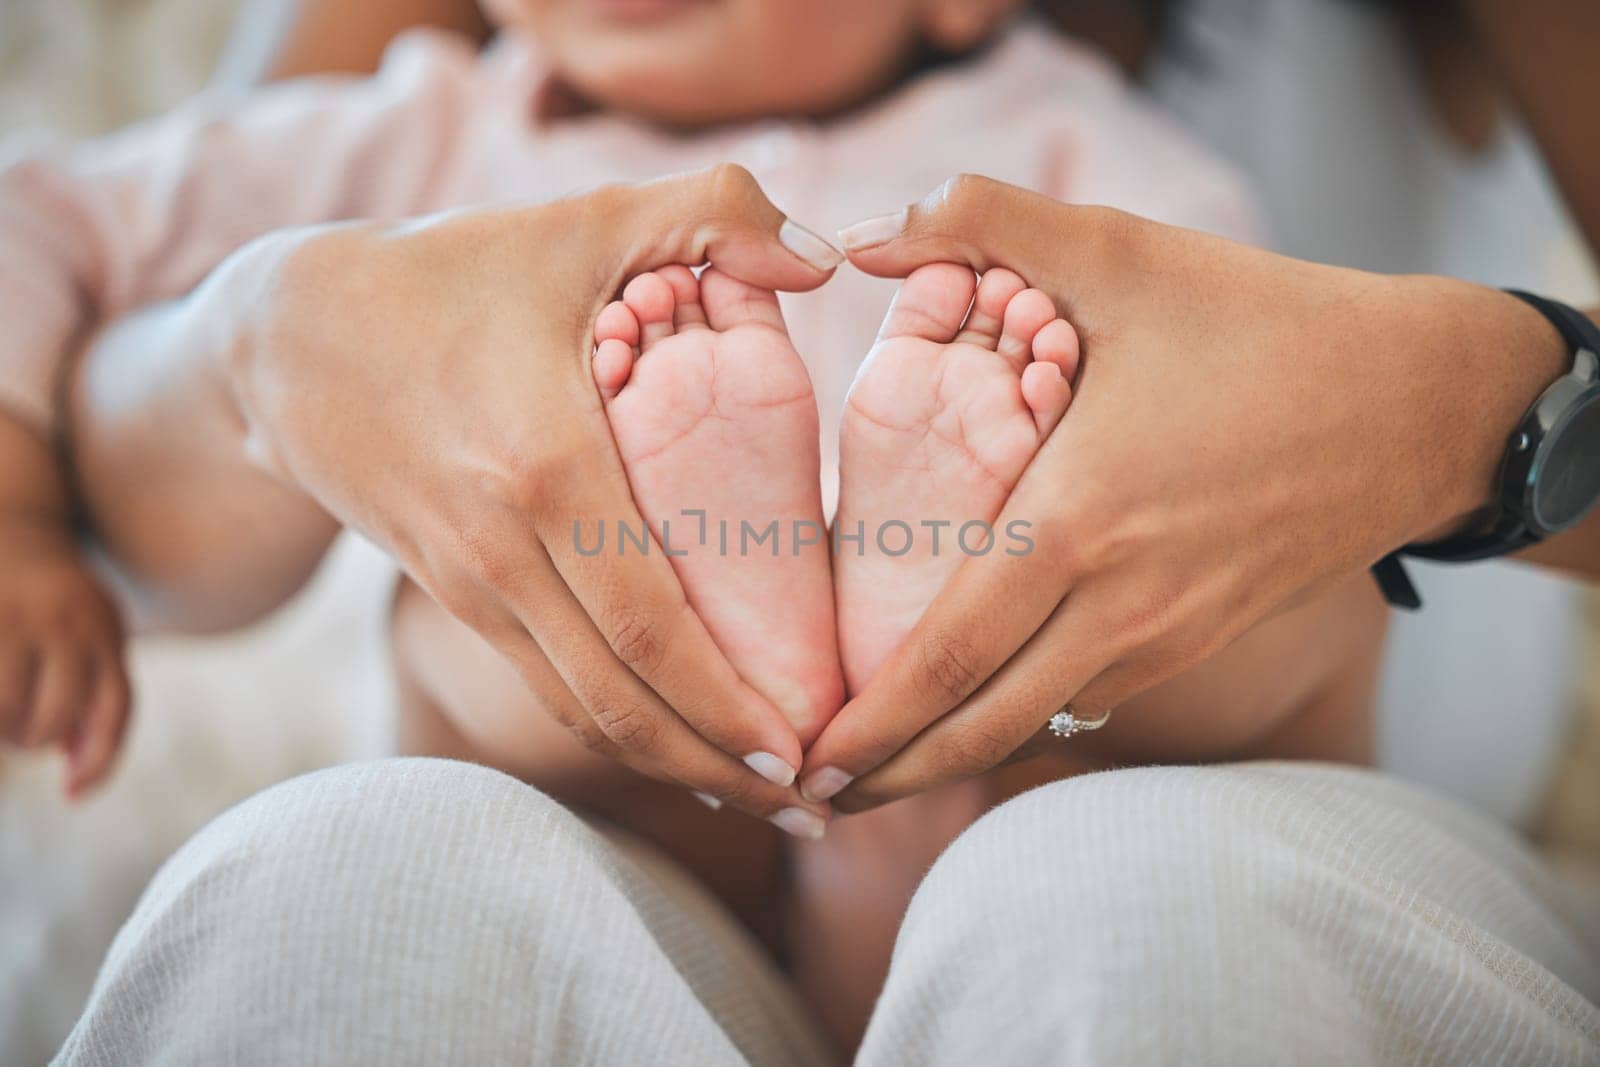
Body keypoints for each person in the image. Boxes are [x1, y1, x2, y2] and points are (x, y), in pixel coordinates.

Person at [19, 0, 1600, 1063]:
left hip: (1060, 720)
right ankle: (831, 643)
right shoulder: (421, 133)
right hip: (620, 765)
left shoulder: (1055, 151)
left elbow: (1246, 434)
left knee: (1264, 600)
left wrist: (1433, 411)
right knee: (449, 704)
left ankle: (898, 634)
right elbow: (55, 220)